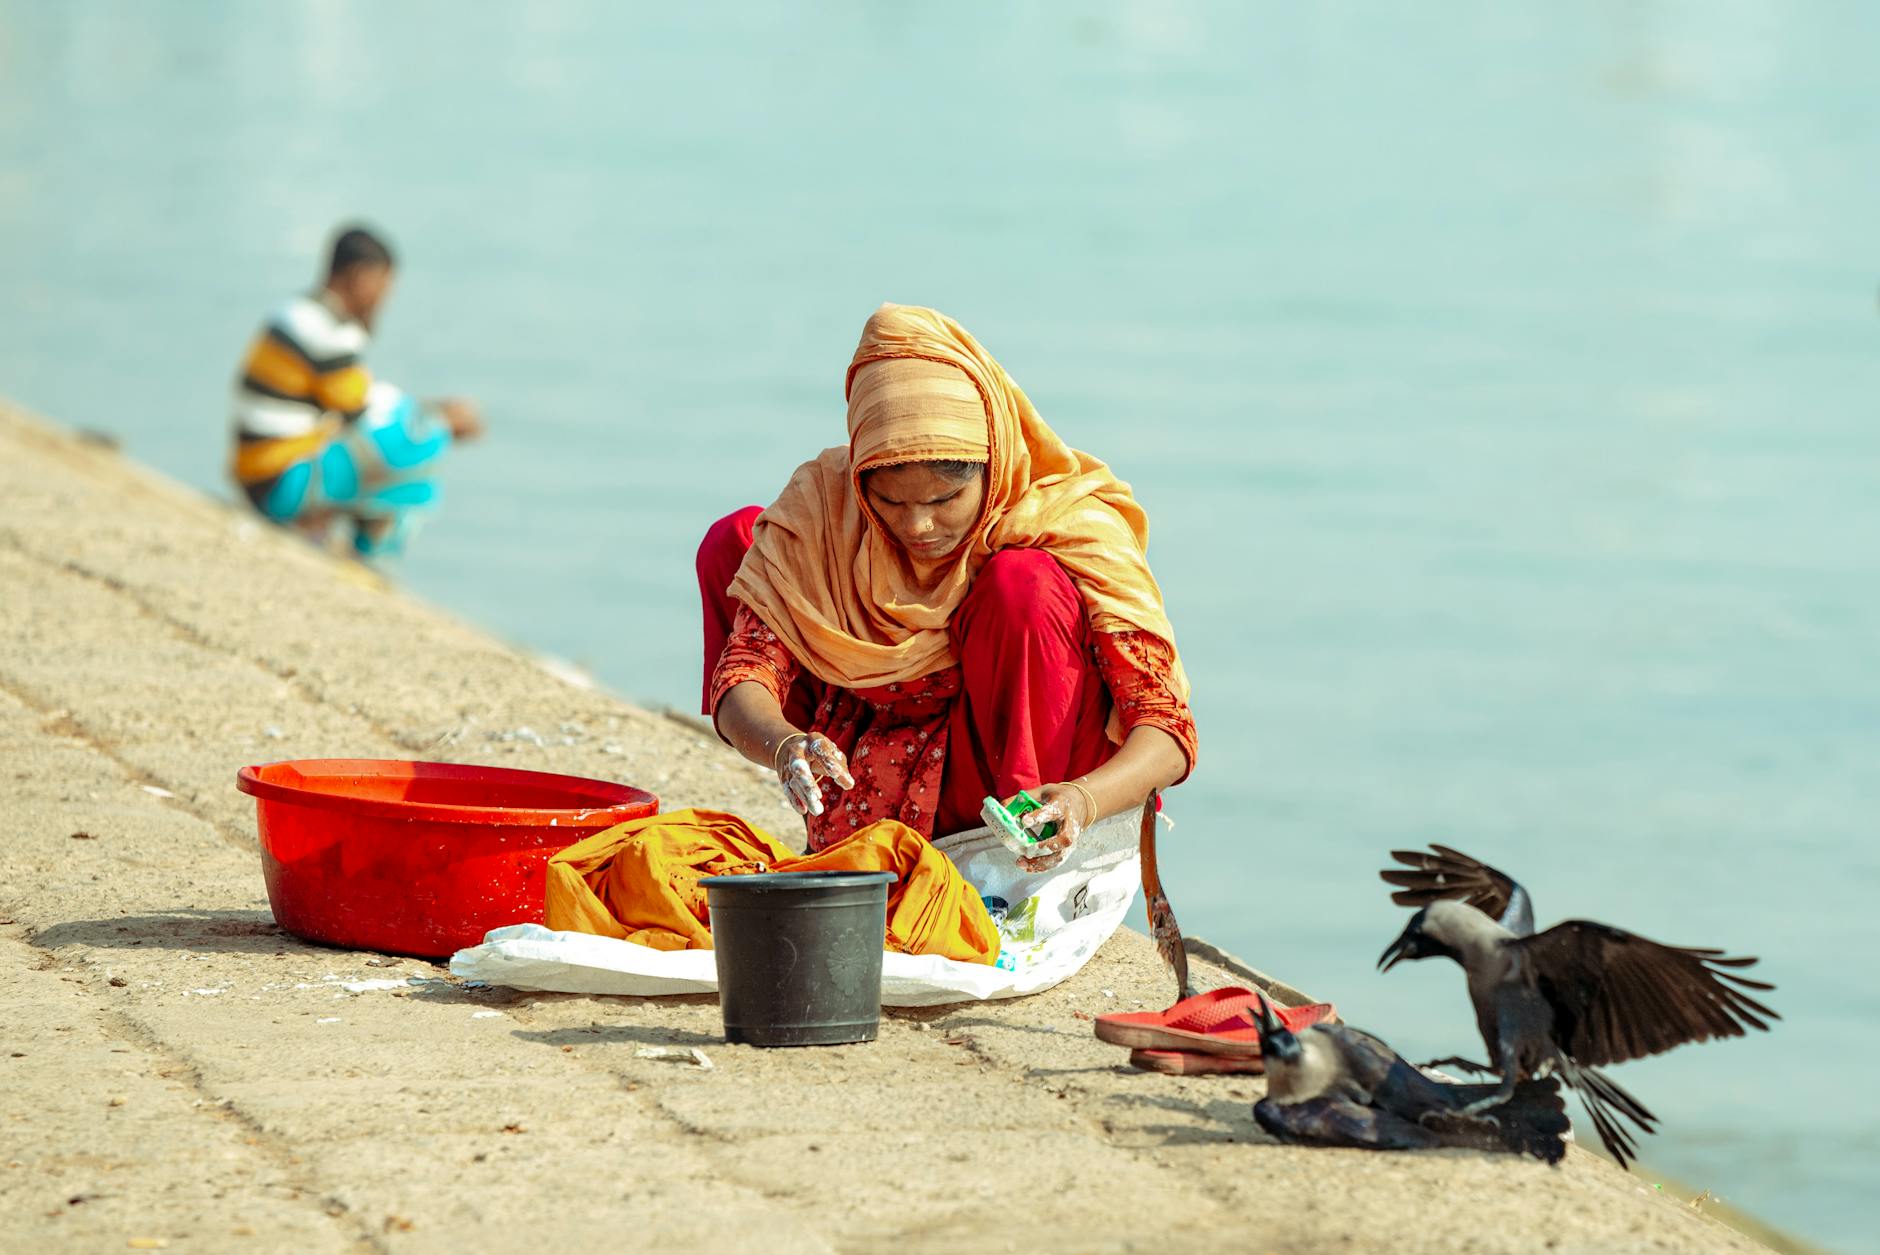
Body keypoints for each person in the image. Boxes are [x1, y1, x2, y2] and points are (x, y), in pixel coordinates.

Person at [697, 303, 1196, 872]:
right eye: (891, 501)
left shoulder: (1070, 524)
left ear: (993, 466)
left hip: (1014, 781)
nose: (917, 527)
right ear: (860, 477)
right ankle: (857, 827)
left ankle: (1017, 858)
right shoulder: (821, 512)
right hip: (856, 754)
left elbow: (1165, 729)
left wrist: (1084, 799)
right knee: (737, 538)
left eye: (943, 501)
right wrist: (785, 745)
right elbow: (746, 675)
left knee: (1022, 583)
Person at [228, 224, 484, 559]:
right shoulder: (330, 332)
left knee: (403, 433)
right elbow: (361, 415)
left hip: (258, 475)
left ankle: (332, 528)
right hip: (279, 485)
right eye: (384, 284)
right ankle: (367, 552)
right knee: (417, 447)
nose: (385, 297)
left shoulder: (296, 312)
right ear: (363, 278)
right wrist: (442, 424)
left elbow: (352, 401)